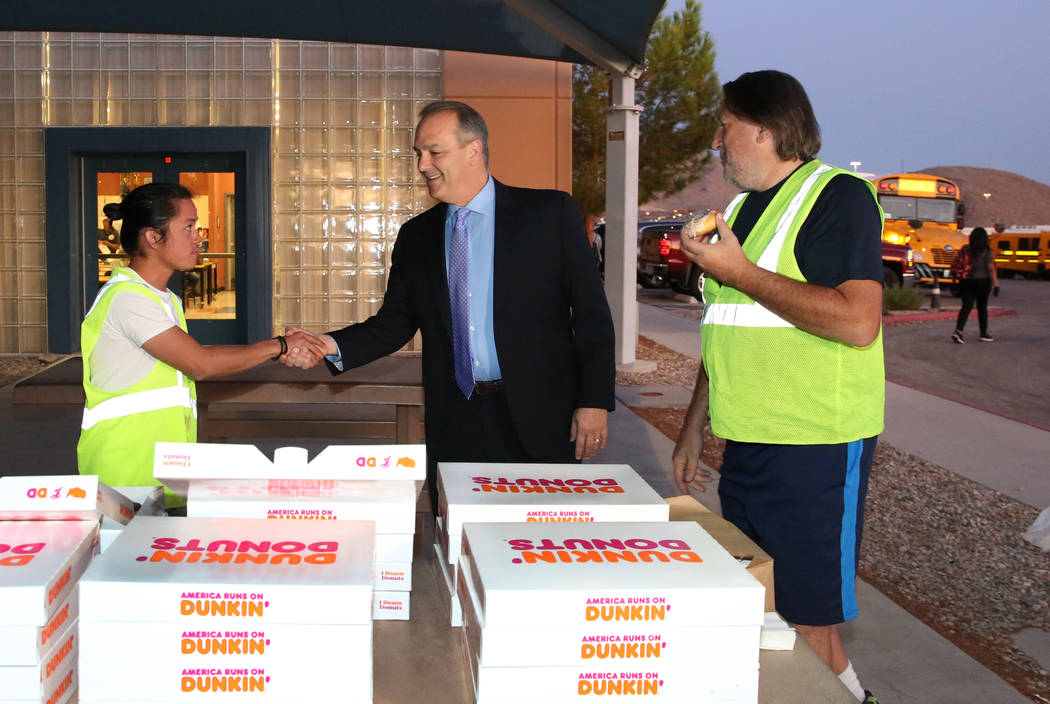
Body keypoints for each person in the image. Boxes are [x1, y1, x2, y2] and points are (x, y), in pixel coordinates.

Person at [287, 101, 616, 510]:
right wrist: (328, 344)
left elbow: (591, 317)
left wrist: (594, 401)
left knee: (544, 543)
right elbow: (394, 323)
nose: (423, 164)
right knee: (459, 549)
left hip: (542, 418)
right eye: (418, 153)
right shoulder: (416, 236)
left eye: (434, 151)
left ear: (473, 151)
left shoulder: (549, 214)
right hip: (457, 422)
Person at [672, 71, 883, 704]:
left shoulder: (836, 196)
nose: (717, 140)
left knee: (809, 624)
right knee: (763, 610)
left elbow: (857, 321)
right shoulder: (738, 213)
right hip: (749, 444)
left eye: (726, 124)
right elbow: (727, 328)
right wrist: (691, 431)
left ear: (764, 128)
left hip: (816, 444)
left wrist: (740, 270)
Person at [77, 183, 324, 506]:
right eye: (189, 227)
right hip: (125, 476)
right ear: (153, 237)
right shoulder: (127, 299)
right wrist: (279, 345)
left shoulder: (164, 300)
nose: (199, 236)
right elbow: (200, 363)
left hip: (158, 475)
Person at [952, 227, 999, 343]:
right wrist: (996, 284)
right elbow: (991, 268)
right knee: (982, 307)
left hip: (966, 281)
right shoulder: (987, 251)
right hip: (983, 282)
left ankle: (959, 331)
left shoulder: (966, 249)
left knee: (966, 307)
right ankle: (983, 333)